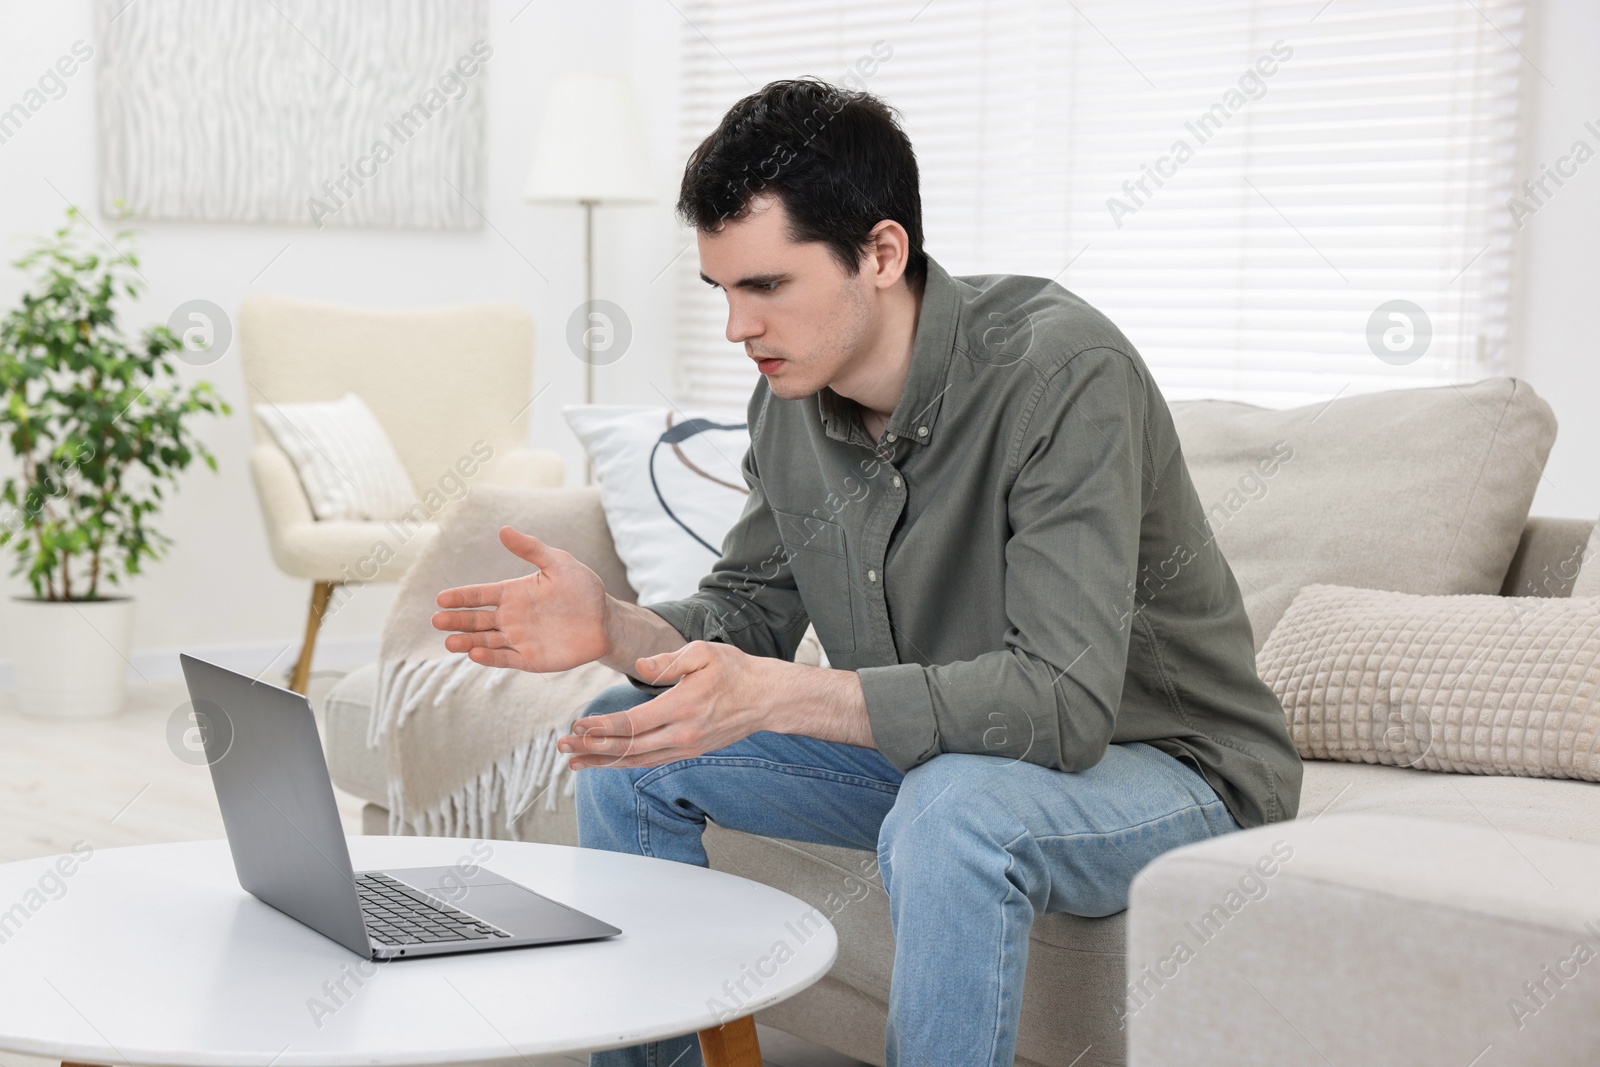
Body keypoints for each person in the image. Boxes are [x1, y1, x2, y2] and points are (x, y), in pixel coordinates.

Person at [431, 77, 1302, 1067]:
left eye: (765, 286)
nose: (735, 327)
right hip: (947, 750)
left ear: (881, 253)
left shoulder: (1062, 374)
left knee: (956, 808)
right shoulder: (788, 401)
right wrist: (617, 627)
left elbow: (1060, 706)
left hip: (1166, 765)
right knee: (634, 744)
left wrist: (788, 692)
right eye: (720, 289)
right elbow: (750, 612)